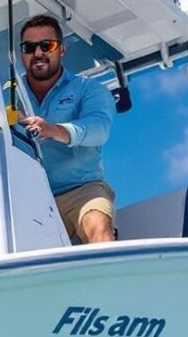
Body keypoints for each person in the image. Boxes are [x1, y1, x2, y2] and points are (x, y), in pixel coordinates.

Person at [14, 13, 118, 244]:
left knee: (97, 224)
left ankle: (110, 279)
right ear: (21, 53)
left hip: (81, 190)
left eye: (46, 45)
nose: (38, 53)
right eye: (29, 47)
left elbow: (99, 128)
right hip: (28, 201)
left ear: (61, 50)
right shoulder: (6, 95)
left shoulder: (88, 89)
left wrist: (54, 130)